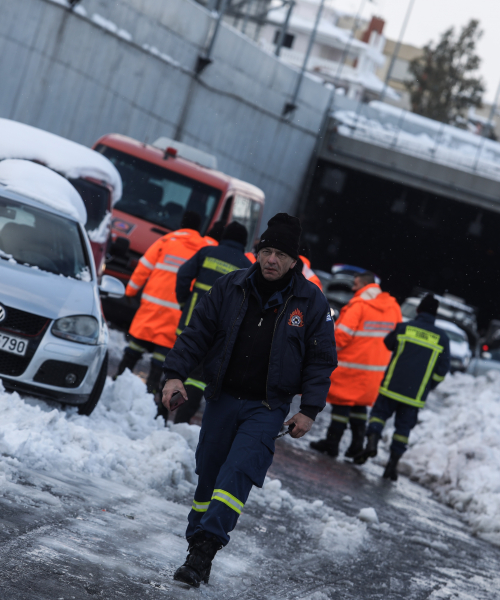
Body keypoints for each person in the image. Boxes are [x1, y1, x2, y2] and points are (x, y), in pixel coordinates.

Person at [160, 213, 337, 587]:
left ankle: (203, 551)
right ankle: (198, 538)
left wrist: (308, 410)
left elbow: (320, 360)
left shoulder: (311, 302)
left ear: (294, 261)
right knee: (209, 473)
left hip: (267, 408)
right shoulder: (230, 287)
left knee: (237, 473)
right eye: (266, 250)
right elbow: (197, 334)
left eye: (280, 254)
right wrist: (174, 374)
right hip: (223, 398)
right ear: (257, 252)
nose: (271, 259)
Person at [115, 211, 211, 403]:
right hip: (176, 312)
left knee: (134, 349)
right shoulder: (204, 248)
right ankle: (150, 397)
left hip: (151, 308)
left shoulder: (166, 241)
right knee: (161, 360)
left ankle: (116, 384)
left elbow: (143, 267)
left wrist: (130, 292)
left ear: (181, 224)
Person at [352, 295, 450, 480]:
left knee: (378, 416)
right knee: (403, 431)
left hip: (391, 386)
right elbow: (442, 370)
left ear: (418, 310)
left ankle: (371, 442)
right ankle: (392, 465)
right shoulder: (442, 338)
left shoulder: (405, 328)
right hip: (414, 395)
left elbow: (388, 343)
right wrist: (429, 385)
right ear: (435, 315)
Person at [310, 270, 401, 458]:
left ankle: (332, 443)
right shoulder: (393, 307)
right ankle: (357, 444)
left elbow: (342, 336)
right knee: (359, 406)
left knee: (341, 405)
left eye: (356, 284)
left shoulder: (359, 305)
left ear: (365, 285)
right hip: (375, 371)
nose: (353, 288)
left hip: (351, 367)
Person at [172, 221, 253, 425]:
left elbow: (183, 275)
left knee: (178, 368)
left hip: (191, 322)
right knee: (199, 378)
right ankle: (181, 420)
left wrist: (184, 301)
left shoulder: (207, 252)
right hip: (217, 333)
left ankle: (162, 412)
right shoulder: (247, 266)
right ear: (244, 242)